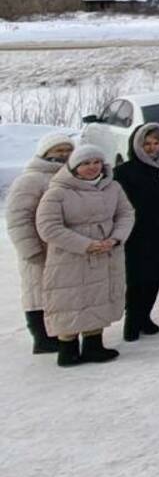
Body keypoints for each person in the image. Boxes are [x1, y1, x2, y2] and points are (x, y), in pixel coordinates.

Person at [35, 145, 134, 368]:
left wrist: (116, 238)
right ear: (74, 167)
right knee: (69, 299)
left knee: (98, 297)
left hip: (107, 251)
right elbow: (48, 227)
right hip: (70, 256)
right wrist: (86, 245)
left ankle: (93, 345)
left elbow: (126, 214)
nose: (92, 167)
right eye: (85, 163)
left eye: (96, 162)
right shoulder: (57, 192)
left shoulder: (113, 187)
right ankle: (67, 349)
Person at [112, 124, 159, 342]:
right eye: (147, 144)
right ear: (137, 145)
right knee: (137, 279)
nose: (152, 148)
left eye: (156, 143)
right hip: (137, 235)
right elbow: (119, 206)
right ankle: (132, 320)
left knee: (156, 277)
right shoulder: (124, 171)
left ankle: (145, 317)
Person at [7, 131, 75, 354]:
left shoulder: (72, 175)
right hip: (39, 249)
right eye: (58, 150)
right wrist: (31, 251)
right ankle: (42, 337)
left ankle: (61, 332)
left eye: (68, 149)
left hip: (64, 248)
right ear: (46, 152)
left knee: (61, 292)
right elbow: (18, 218)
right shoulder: (31, 179)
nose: (64, 154)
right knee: (38, 292)